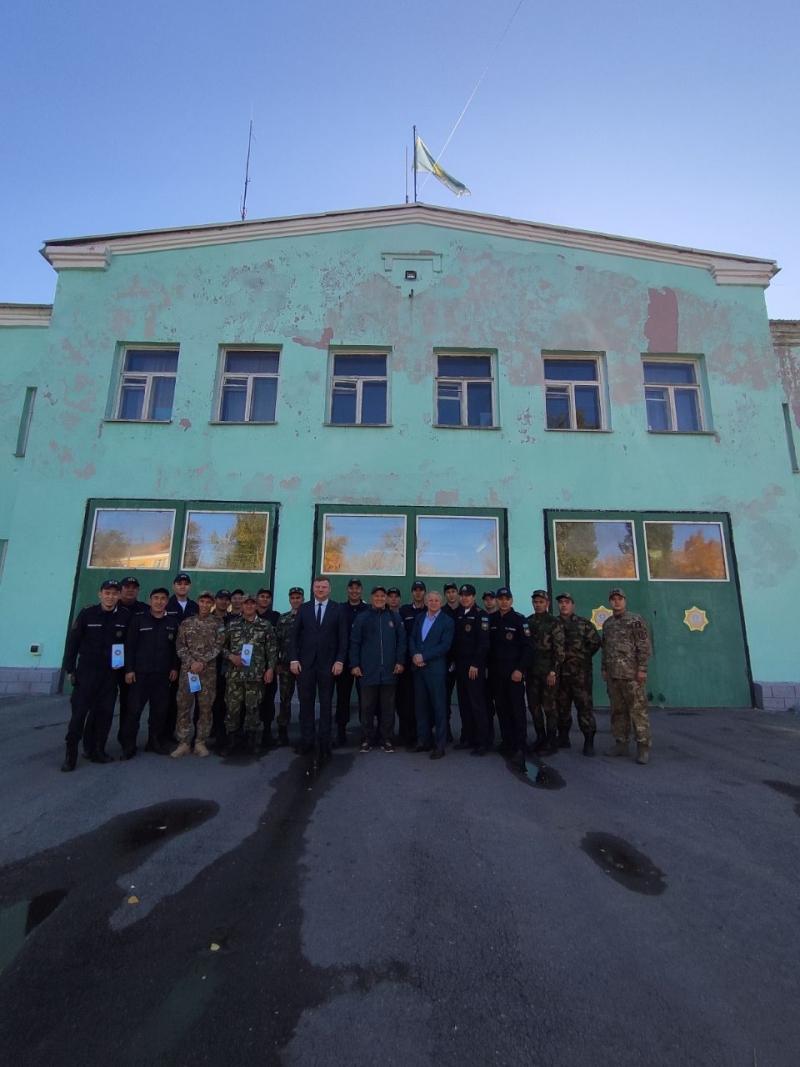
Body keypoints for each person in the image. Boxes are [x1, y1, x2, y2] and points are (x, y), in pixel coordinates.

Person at [61, 579, 130, 771]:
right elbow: (73, 642)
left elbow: (128, 645)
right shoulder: (87, 614)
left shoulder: (124, 616)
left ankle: (99, 750)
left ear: (119, 596)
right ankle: (71, 755)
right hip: (87, 673)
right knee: (78, 716)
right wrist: (70, 669)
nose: (110, 597)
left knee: (105, 715)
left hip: (110, 674)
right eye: (107, 593)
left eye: (114, 593)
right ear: (100, 594)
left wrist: (124, 669)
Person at [289, 577, 348, 761]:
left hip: (328, 665)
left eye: (324, 587)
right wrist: (294, 659)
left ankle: (324, 741)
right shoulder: (304, 608)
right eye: (318, 587)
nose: (320, 589)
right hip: (305, 664)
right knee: (306, 704)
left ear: (329, 589)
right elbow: (294, 636)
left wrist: (339, 661)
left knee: (326, 704)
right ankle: (307, 740)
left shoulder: (338, 609)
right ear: (313, 589)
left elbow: (343, 638)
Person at [121, 588, 180, 758]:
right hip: (140, 674)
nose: (159, 602)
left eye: (162, 599)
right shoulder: (139, 620)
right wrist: (129, 669)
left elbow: (176, 649)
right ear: (150, 600)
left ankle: (154, 742)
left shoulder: (172, 622)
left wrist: (174, 667)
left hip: (162, 675)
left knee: (159, 712)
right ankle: (129, 745)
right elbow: (129, 646)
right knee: (133, 712)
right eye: (156, 598)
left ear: (167, 601)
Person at [350, 585, 406, 753]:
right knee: (367, 707)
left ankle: (386, 738)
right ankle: (367, 738)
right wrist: (355, 664)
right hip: (367, 671)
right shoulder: (362, 618)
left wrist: (400, 661)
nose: (380, 599)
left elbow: (402, 641)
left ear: (386, 599)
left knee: (388, 707)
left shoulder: (394, 617)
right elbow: (355, 642)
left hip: (389, 670)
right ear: (371, 598)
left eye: (383, 596)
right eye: (377, 596)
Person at [171, 591, 226, 758]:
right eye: (202, 601)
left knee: (205, 708)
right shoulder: (187, 622)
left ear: (212, 604)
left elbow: (219, 645)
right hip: (188, 672)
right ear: (198, 602)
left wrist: (202, 662)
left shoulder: (218, 623)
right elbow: (180, 645)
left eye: (208, 602)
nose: (204, 605)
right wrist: (191, 662)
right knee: (183, 707)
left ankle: (201, 742)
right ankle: (184, 742)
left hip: (207, 672)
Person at [221, 592, 277, 755]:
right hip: (235, 675)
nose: (249, 606)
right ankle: (231, 742)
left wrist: (270, 669)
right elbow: (221, 647)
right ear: (241, 605)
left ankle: (251, 742)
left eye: (252, 603)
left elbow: (272, 650)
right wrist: (231, 656)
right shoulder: (232, 625)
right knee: (232, 709)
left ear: (256, 605)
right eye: (246, 603)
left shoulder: (265, 625)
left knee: (253, 708)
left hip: (255, 675)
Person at [602, 588, 652, 764]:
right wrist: (604, 668)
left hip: (632, 675)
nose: (617, 602)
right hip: (614, 675)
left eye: (620, 599)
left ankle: (643, 746)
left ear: (625, 601)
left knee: (638, 711)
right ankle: (621, 743)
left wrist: (642, 669)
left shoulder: (635, 620)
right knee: (617, 711)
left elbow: (644, 646)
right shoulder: (608, 623)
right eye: (613, 599)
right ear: (610, 602)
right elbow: (605, 648)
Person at [488, 587, 532, 770]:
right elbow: (488, 646)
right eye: (500, 598)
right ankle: (507, 742)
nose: (503, 601)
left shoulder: (520, 620)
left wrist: (520, 669)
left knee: (517, 709)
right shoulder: (491, 619)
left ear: (511, 600)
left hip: (514, 673)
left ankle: (520, 746)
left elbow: (528, 647)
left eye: (507, 598)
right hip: (496, 672)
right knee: (502, 708)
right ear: (497, 601)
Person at [408, 590, 454, 760]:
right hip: (418, 669)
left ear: (441, 603)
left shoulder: (447, 621)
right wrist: (415, 655)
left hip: (435, 670)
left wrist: (423, 656)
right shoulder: (420, 618)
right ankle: (423, 740)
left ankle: (440, 745)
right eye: (431, 600)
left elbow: (445, 645)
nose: (433, 603)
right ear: (426, 602)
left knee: (438, 707)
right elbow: (412, 638)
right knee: (420, 706)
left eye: (436, 600)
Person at [555, 592, 601, 756]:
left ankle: (589, 742)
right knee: (562, 708)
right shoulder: (554, 623)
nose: (563, 605)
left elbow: (596, 642)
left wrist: (582, 658)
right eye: (561, 602)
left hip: (581, 677)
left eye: (567, 602)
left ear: (573, 605)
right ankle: (563, 737)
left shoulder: (583, 624)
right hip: (561, 675)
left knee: (584, 709)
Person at [451, 583, 491, 754]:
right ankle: (467, 737)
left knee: (477, 704)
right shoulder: (459, 613)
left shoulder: (481, 615)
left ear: (474, 597)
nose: (464, 598)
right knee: (464, 704)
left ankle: (482, 742)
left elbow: (484, 643)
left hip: (474, 667)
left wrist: (475, 664)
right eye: (462, 595)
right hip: (461, 666)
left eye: (468, 595)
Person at [526, 589, 565, 755]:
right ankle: (540, 737)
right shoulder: (529, 621)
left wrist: (553, 672)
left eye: (541, 602)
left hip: (548, 672)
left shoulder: (554, 622)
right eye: (535, 602)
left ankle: (551, 740)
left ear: (547, 603)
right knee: (534, 706)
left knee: (549, 707)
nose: (538, 605)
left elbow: (559, 650)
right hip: (532, 672)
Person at [163, 572, 199, 742]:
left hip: (190, 660)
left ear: (189, 586)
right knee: (169, 699)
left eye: (186, 584)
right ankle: (166, 733)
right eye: (179, 583)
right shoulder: (166, 604)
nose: (182, 586)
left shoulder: (194, 607)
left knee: (190, 698)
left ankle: (190, 734)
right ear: (174, 586)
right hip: (170, 656)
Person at [335, 578, 369, 746]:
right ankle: (341, 733)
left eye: (357, 588)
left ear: (361, 590)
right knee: (342, 698)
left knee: (365, 699)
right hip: (344, 660)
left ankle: (366, 734)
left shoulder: (368, 610)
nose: (354, 591)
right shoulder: (340, 609)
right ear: (347, 590)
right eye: (351, 588)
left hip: (363, 661)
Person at [115, 576, 148, 749]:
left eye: (134, 587)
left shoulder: (144, 610)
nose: (130, 590)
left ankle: (127, 741)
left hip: (133, 665)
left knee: (130, 705)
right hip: (111, 664)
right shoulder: (111, 608)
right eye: (127, 586)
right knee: (101, 706)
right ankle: (94, 745)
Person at [397, 581, 427, 748]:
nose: (418, 593)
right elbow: (401, 636)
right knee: (406, 700)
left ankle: (422, 733)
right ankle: (405, 734)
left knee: (423, 700)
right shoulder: (404, 611)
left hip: (425, 662)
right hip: (408, 663)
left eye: (421, 590)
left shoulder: (430, 610)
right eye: (415, 590)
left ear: (424, 592)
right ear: (412, 592)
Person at [275, 587, 305, 745]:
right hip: (286, 665)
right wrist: (277, 662)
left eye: (298, 597)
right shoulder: (283, 618)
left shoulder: (308, 617)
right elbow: (277, 642)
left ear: (303, 599)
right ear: (289, 600)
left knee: (304, 699)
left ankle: (305, 732)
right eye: (293, 598)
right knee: (285, 698)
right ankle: (282, 732)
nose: (295, 600)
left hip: (304, 665)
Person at [256, 588, 281, 748]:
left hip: (269, 665)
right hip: (252, 666)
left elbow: (279, 641)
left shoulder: (276, 617)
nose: (265, 599)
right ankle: (249, 732)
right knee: (250, 700)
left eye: (267, 597)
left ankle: (267, 731)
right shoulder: (250, 614)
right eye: (262, 596)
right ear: (257, 598)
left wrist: (276, 663)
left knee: (268, 700)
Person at [210, 589, 232, 745]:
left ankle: (220, 731)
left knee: (222, 700)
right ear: (215, 601)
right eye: (221, 599)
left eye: (226, 599)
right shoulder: (207, 618)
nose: (223, 602)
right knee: (205, 700)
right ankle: (202, 732)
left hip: (226, 666)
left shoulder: (233, 620)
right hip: (208, 665)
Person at [441, 582, 461, 741]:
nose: (451, 594)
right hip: (446, 661)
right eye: (448, 592)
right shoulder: (441, 612)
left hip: (463, 661)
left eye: (453, 591)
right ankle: (445, 731)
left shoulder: (465, 610)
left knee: (467, 699)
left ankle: (468, 734)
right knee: (444, 698)